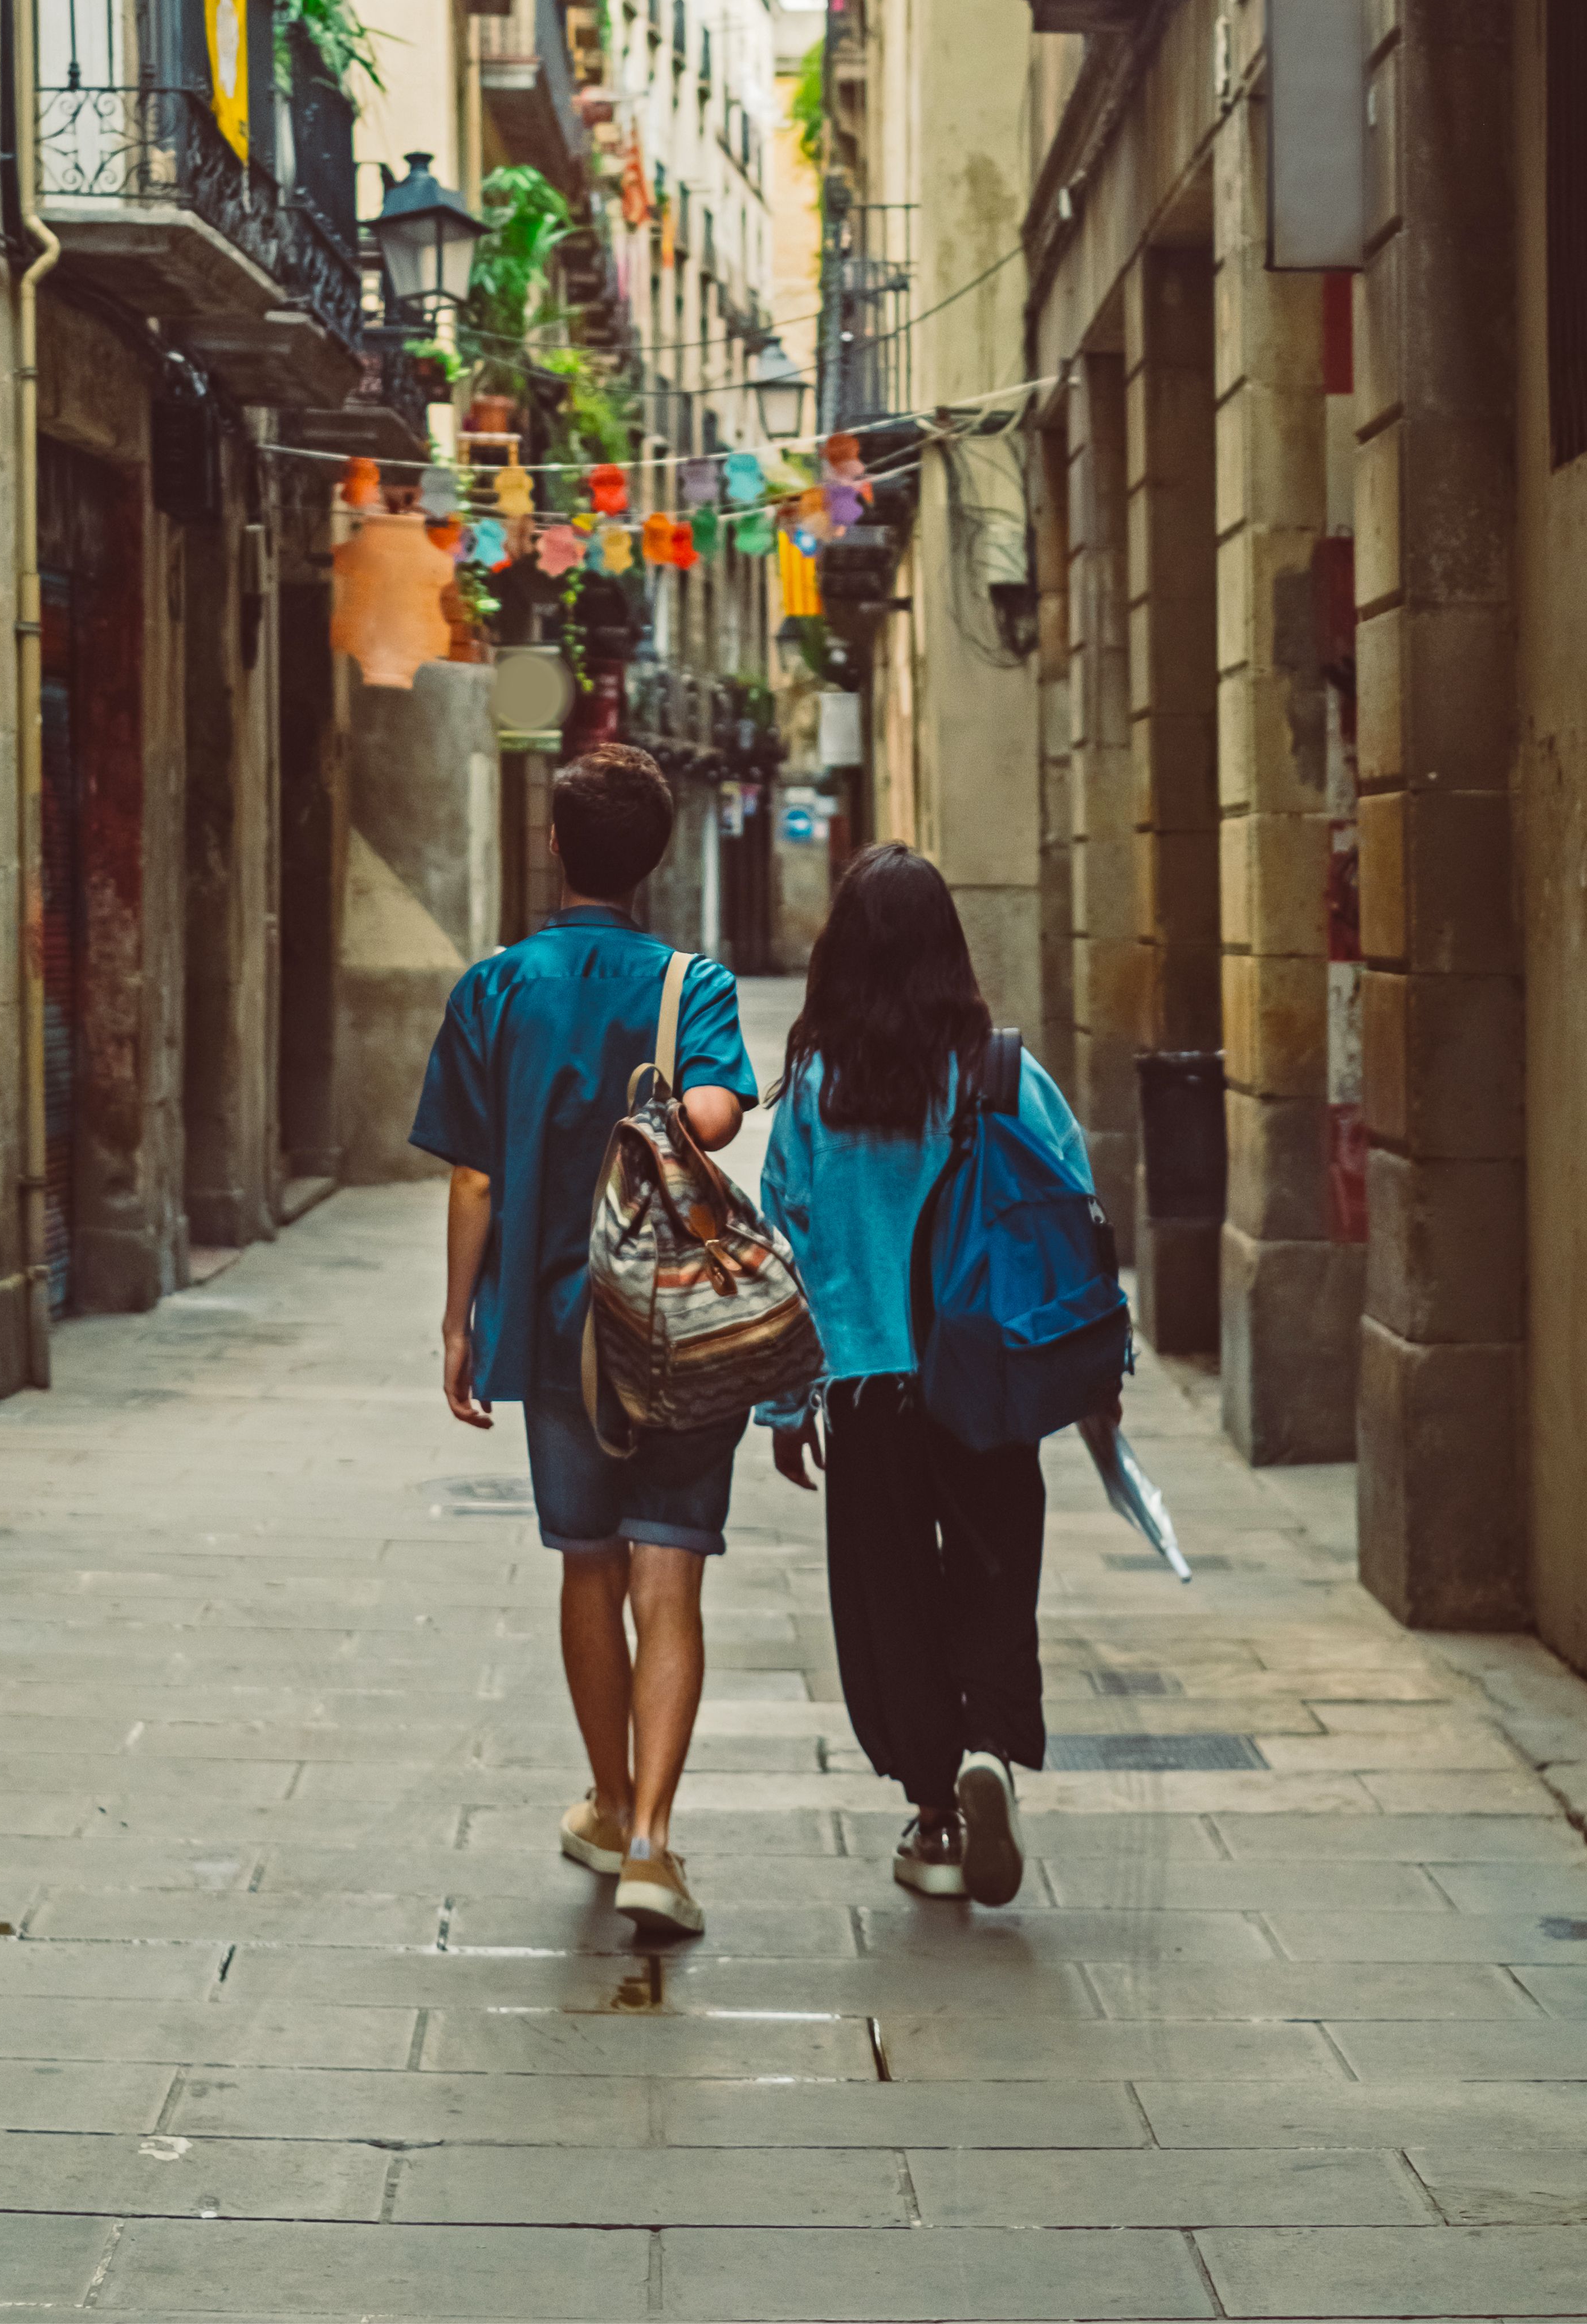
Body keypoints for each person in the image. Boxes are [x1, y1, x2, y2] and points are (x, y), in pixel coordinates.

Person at [412, 741, 756, 1940]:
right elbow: (718, 1112)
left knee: (589, 1565)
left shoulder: (495, 989)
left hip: (557, 1328)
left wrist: (459, 1324)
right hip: (677, 1326)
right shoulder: (692, 987)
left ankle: (608, 1806)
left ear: (554, 846)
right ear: (652, 859)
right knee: (672, 1575)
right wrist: (683, 1105)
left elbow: (471, 1177)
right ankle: (654, 1843)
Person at [759, 841, 1100, 1909]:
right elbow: (1072, 1209)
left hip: (868, 1390)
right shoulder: (1001, 1074)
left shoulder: (815, 1089)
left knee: (891, 1599)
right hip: (987, 1381)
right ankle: (990, 1743)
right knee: (995, 1569)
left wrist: (785, 1404)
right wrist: (1090, 1368)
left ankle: (937, 1812)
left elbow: (783, 1245)